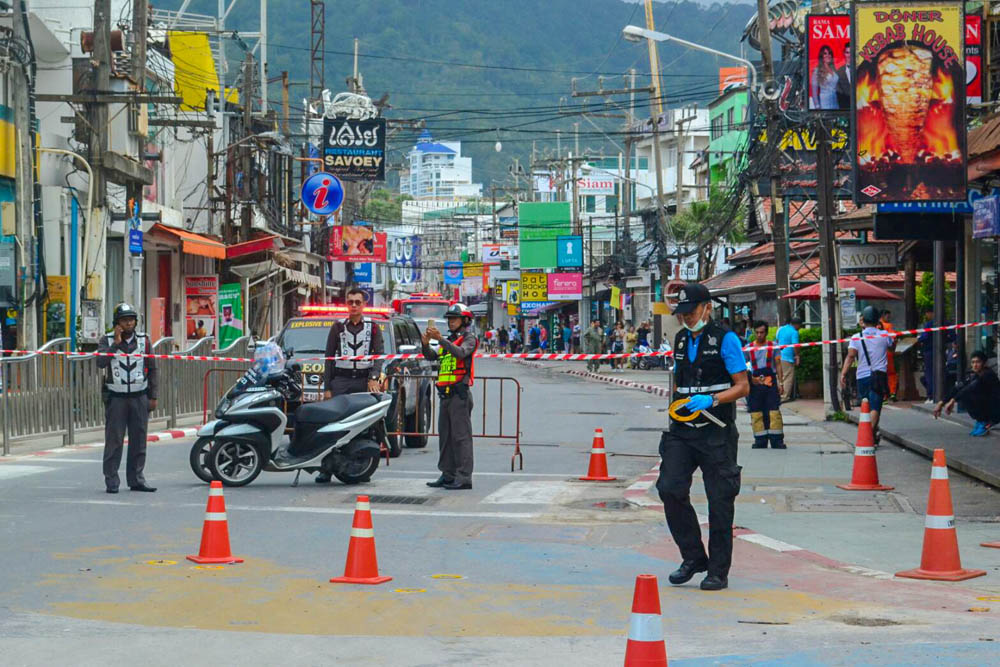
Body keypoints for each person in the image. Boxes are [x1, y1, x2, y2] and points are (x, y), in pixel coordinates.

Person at [656, 283, 750, 592]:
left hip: (716, 430)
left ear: (707, 308)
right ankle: (693, 557)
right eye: (682, 314)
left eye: (692, 312)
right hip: (682, 430)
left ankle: (718, 571)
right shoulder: (681, 339)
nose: (686, 319)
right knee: (669, 488)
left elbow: (742, 386)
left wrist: (713, 400)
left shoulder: (727, 339)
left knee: (719, 500)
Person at [318, 287, 384, 483]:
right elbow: (328, 358)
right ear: (346, 304)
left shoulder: (373, 327)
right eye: (350, 302)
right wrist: (327, 388)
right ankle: (326, 469)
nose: (354, 305)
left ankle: (362, 467)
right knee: (333, 425)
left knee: (365, 425)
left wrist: (374, 377)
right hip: (341, 381)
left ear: (364, 305)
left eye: (358, 302)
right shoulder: (337, 327)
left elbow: (379, 355)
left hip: (364, 381)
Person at [97, 303, 158, 493]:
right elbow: (100, 362)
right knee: (114, 441)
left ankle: (136, 479)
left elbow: (153, 368)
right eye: (124, 320)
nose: (128, 323)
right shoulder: (106, 340)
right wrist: (115, 343)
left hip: (140, 397)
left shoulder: (144, 341)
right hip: (116, 399)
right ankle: (112, 481)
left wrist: (153, 396)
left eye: (131, 319)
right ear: (117, 323)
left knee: (139, 440)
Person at [422, 303, 478, 490]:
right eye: (449, 319)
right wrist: (425, 344)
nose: (451, 322)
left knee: (461, 438)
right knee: (445, 437)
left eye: (454, 318)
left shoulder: (469, 339)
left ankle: (464, 478)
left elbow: (461, 353)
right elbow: (432, 356)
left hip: (459, 395)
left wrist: (441, 340)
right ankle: (447, 475)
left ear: (465, 320)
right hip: (445, 395)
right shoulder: (447, 340)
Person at [840, 306, 893, 439]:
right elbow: (892, 347)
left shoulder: (856, 337)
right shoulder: (884, 335)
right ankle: (867, 436)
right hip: (879, 375)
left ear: (863, 319)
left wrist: (843, 373)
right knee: (875, 407)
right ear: (877, 320)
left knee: (866, 406)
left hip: (862, 376)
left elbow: (851, 356)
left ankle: (872, 434)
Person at [933, 350, 1000, 436]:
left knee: (967, 395)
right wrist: (941, 402)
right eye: (973, 362)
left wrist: (953, 400)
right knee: (962, 391)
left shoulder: (988, 374)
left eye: (978, 362)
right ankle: (981, 421)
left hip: (996, 411)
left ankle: (985, 421)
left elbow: (970, 388)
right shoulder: (975, 375)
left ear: (984, 363)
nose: (975, 365)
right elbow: (958, 388)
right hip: (988, 407)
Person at [746, 321, 785, 449]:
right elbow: (744, 367)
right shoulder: (748, 348)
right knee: (756, 412)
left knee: (773, 411)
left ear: (766, 333)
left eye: (762, 332)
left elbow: (778, 365)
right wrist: (750, 380)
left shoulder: (773, 346)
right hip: (755, 383)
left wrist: (780, 382)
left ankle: (776, 440)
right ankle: (760, 440)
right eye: (757, 332)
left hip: (771, 382)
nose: (759, 335)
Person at [774, 316, 802, 402]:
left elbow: (777, 341)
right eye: (800, 326)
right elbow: (795, 345)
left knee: (779, 376)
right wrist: (797, 356)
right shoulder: (794, 332)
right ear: (796, 325)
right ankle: (784, 396)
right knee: (788, 376)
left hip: (778, 355)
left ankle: (777, 395)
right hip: (787, 357)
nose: (800, 328)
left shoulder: (781, 329)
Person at [810, 44, 838, 110]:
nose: (828, 55)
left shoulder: (834, 69)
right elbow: (814, 92)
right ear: (822, 56)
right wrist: (817, 107)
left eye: (829, 53)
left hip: (835, 102)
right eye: (825, 53)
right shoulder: (817, 71)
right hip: (825, 103)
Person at [879, 310, 898, 400]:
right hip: (888, 352)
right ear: (883, 316)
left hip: (878, 353)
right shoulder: (888, 326)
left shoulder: (876, 326)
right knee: (891, 373)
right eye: (888, 316)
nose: (889, 318)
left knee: (881, 373)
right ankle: (892, 392)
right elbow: (893, 338)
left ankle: (883, 395)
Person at [835, 42, 852, 109]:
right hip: (846, 109)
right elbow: (840, 95)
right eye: (847, 52)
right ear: (844, 54)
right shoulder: (839, 72)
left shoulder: (861, 69)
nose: (849, 55)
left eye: (851, 52)